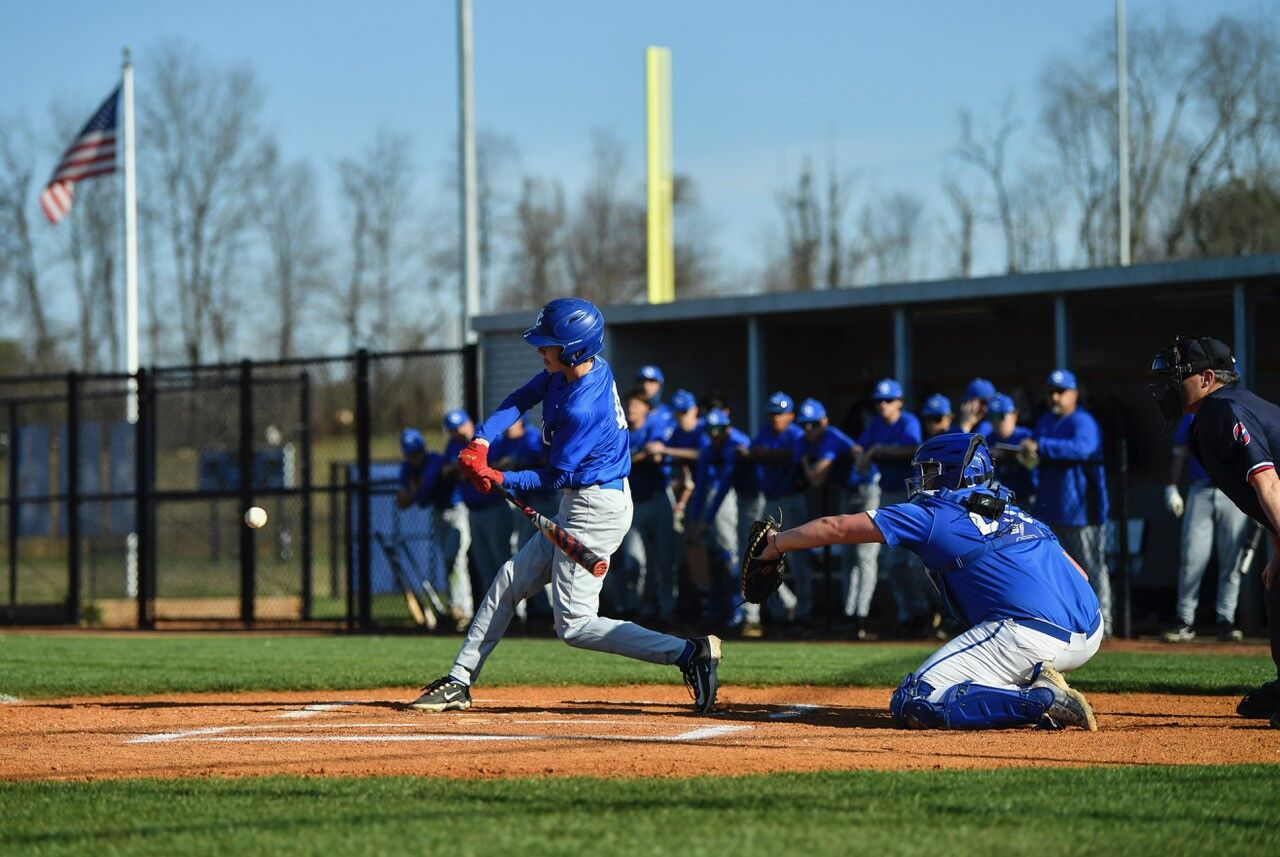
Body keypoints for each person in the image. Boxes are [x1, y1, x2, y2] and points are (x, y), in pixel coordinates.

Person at [410, 297, 721, 714]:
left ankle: (688, 654)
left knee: (574, 626)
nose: (541, 350)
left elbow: (557, 476)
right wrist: (482, 441)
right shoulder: (569, 372)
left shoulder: (582, 407)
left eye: (549, 344)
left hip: (595, 506)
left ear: (574, 349)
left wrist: (502, 479)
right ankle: (459, 680)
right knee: (508, 580)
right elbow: (521, 398)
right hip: (583, 500)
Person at [757, 433, 1101, 731]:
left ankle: (1040, 700)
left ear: (954, 472)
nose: (922, 480)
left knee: (914, 701)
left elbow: (838, 527)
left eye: (929, 471)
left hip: (1030, 634)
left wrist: (777, 543)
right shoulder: (1015, 510)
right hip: (1091, 628)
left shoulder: (933, 512)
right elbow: (1080, 574)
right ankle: (1030, 683)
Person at [1148, 335, 1280, 727]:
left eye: (1179, 376)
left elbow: (1269, 484)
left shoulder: (1225, 409)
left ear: (1207, 378)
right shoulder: (1208, 418)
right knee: (1276, 588)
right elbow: (1267, 501)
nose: (1169, 385)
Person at [1020, 369, 1112, 637]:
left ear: (1075, 393)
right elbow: (1033, 460)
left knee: (1092, 568)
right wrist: (1028, 452)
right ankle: (1065, 622)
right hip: (1051, 508)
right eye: (1051, 391)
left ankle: (1104, 623)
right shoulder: (1045, 421)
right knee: (1053, 571)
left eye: (1061, 391)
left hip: (1083, 510)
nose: (1055, 396)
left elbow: (1082, 448)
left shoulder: (1083, 421)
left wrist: (1041, 446)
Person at [854, 378, 937, 638]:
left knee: (912, 562)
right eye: (879, 400)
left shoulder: (908, 421)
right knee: (891, 564)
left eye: (888, 400)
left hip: (910, 495)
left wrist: (878, 449)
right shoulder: (877, 424)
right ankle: (909, 614)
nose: (883, 405)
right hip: (888, 495)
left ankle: (927, 614)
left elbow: (913, 449)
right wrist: (864, 452)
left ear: (899, 402)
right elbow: (859, 447)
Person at [1161, 411, 1249, 643]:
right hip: (1200, 488)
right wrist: (1171, 486)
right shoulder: (1193, 414)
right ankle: (1185, 619)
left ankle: (1225, 620)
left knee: (1232, 560)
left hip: (1233, 490)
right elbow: (1179, 452)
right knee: (1192, 557)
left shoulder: (1238, 411)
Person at [796, 397, 880, 639]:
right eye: (804, 425)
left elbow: (816, 479)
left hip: (867, 490)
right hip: (848, 492)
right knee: (848, 556)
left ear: (823, 421)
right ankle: (850, 614)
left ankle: (860, 617)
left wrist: (804, 460)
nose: (808, 430)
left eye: (813, 424)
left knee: (865, 556)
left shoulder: (830, 436)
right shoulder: (807, 439)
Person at [740, 392, 803, 634]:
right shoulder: (765, 433)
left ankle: (802, 613)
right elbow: (752, 450)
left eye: (781, 413)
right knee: (766, 556)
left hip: (794, 499)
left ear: (791, 415)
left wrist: (763, 455)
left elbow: (793, 456)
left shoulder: (796, 433)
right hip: (771, 500)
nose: (776, 418)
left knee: (799, 561)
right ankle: (780, 612)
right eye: (773, 413)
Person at [686, 408, 753, 627]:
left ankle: (748, 613)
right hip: (727, 503)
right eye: (709, 430)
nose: (714, 434)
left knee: (741, 557)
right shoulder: (707, 449)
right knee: (721, 558)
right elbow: (701, 487)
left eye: (718, 430)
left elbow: (724, 485)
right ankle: (725, 610)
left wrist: (704, 522)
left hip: (751, 500)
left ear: (727, 429)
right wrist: (697, 522)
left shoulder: (736, 442)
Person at [618, 388, 677, 624]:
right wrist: (639, 455)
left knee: (663, 560)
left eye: (636, 405)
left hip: (658, 498)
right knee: (634, 561)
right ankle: (639, 609)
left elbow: (657, 455)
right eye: (629, 405)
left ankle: (666, 612)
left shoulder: (653, 426)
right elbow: (623, 460)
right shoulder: (621, 432)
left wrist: (637, 457)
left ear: (646, 408)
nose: (631, 410)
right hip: (632, 504)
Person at [438, 409, 478, 630]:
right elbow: (447, 470)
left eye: (459, 427)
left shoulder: (480, 436)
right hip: (466, 506)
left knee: (457, 558)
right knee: (454, 560)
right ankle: (460, 608)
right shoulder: (453, 444)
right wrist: (458, 470)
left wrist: (458, 470)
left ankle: (465, 608)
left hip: (471, 506)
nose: (456, 432)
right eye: (452, 429)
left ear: (468, 422)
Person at [985, 393, 1037, 507]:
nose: (996, 422)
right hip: (999, 500)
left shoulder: (1026, 436)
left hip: (1026, 495)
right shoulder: (988, 440)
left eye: (1000, 416)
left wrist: (1021, 455)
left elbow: (1035, 466)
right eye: (991, 417)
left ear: (1014, 415)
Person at [636, 364, 674, 434]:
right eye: (641, 381)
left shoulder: (671, 415)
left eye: (652, 381)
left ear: (660, 385)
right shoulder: (629, 414)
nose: (645, 386)